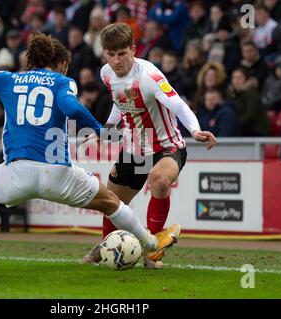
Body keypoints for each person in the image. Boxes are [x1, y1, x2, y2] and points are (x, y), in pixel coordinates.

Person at [0, 34, 180, 274]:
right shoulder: (63, 82)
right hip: (58, 173)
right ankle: (150, 244)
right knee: (112, 203)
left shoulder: (8, 79)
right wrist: (98, 129)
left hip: (16, 173)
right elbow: (71, 107)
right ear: (62, 64)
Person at [81, 23, 216, 269]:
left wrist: (194, 129)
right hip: (133, 150)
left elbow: (179, 106)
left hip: (167, 147)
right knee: (110, 202)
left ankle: (152, 252)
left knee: (159, 179)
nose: (117, 60)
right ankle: (106, 247)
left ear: (133, 50)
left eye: (122, 53)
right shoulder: (105, 74)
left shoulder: (150, 77)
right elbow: (118, 102)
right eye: (111, 54)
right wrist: (105, 131)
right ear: (104, 53)